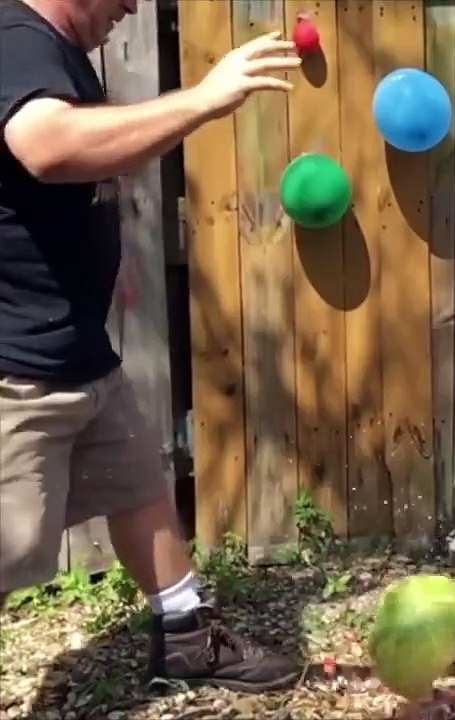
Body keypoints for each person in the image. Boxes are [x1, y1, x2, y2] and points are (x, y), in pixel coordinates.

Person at [1, 0, 303, 693]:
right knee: (10, 546)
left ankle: (187, 637)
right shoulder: (14, 38)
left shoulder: (54, 51)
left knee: (137, 486)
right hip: (16, 368)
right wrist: (202, 99)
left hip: (72, 349)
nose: (133, 5)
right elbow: (47, 146)